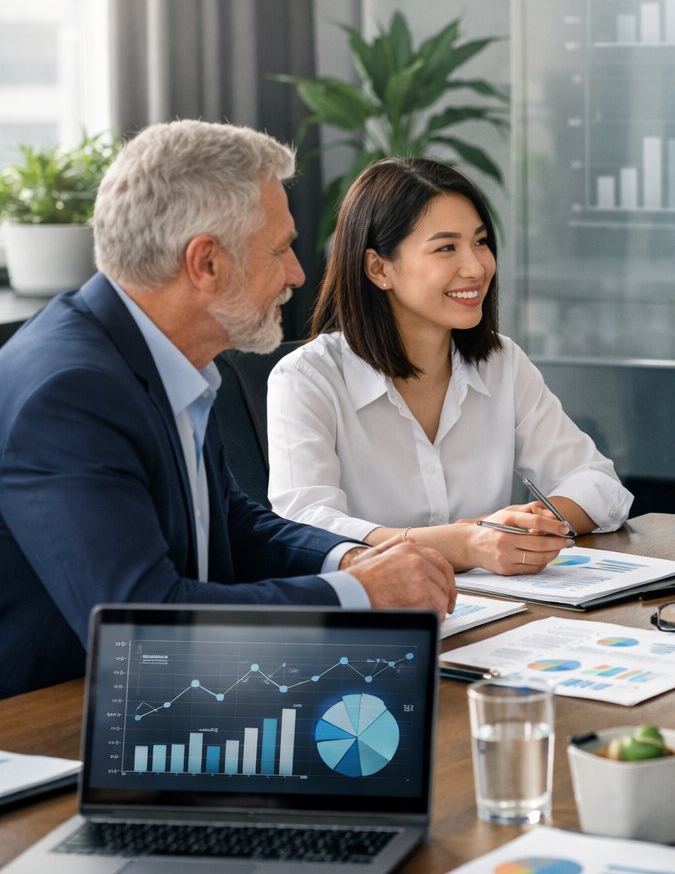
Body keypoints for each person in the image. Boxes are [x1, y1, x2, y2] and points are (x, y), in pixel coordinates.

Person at [0, 121, 456, 698]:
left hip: (148, 704)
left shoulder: (165, 354)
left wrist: (351, 560)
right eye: (280, 249)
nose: (296, 274)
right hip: (50, 732)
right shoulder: (70, 394)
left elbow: (229, 522)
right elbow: (140, 622)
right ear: (206, 263)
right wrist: (362, 594)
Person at [266, 158, 632, 574]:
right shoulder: (308, 378)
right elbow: (308, 528)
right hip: (378, 617)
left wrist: (523, 528)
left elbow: (598, 483)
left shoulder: (501, 362)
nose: (476, 267)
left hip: (499, 610)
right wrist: (465, 541)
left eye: (480, 242)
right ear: (379, 268)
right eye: (446, 248)